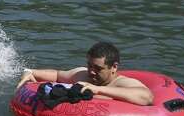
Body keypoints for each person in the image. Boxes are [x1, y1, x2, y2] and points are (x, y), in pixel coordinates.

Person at [16, 41, 154, 106]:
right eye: (89, 66)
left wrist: (97, 89)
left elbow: (147, 97)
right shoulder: (82, 74)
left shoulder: (122, 83)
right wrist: (30, 72)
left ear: (114, 67)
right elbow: (57, 75)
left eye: (98, 68)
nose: (91, 72)